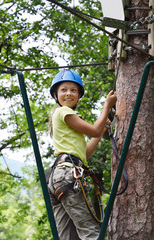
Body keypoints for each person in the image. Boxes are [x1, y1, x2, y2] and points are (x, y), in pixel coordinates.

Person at [48, 69, 117, 240]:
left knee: (67, 236)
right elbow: (93, 130)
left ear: (79, 96)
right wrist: (107, 106)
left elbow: (85, 153)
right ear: (56, 95)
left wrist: (101, 131)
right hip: (66, 175)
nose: (69, 93)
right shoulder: (64, 111)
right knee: (90, 232)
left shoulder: (62, 119)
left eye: (73, 90)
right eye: (63, 89)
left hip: (58, 175)